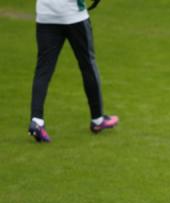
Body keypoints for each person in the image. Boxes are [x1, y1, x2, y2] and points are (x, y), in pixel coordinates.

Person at [28, 0, 118, 143]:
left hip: (45, 16)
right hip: (73, 16)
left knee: (43, 70)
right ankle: (97, 120)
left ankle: (36, 121)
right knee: (88, 65)